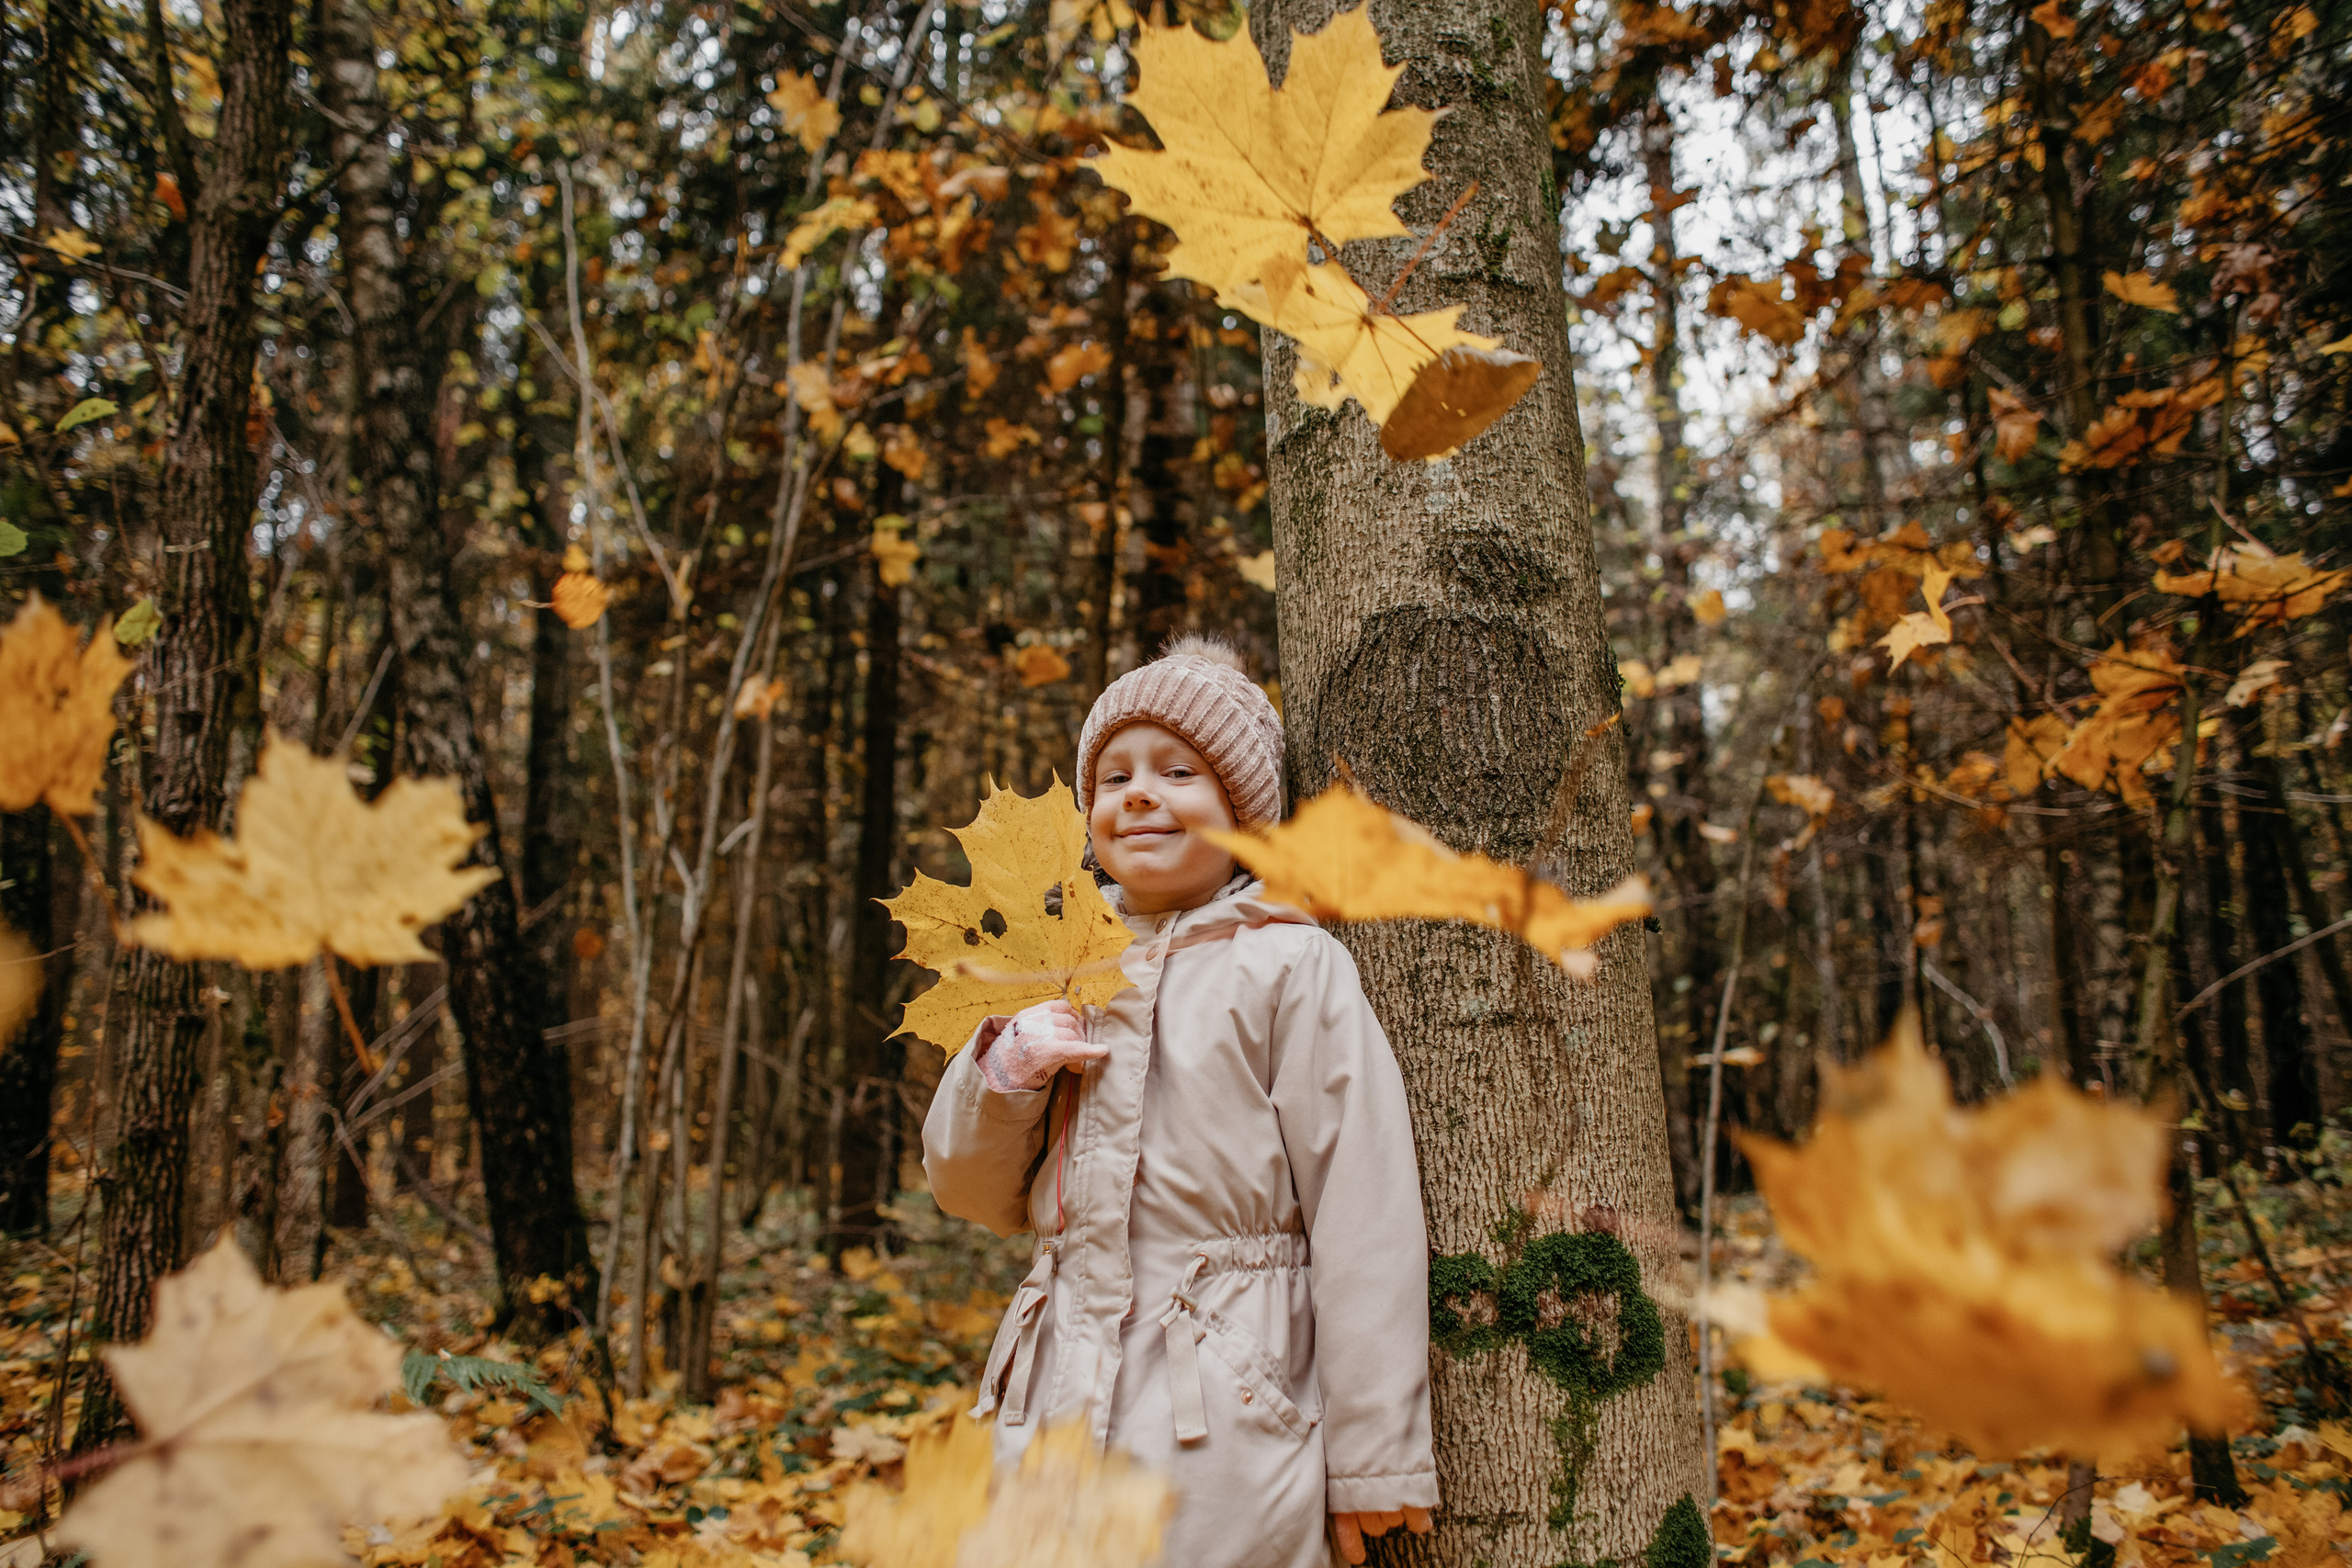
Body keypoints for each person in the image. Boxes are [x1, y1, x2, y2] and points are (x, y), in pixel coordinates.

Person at [922, 637, 1439, 1568]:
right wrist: (1001, 1077)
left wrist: (1372, 1458)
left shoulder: (1288, 964)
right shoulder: (1061, 970)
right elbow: (971, 1194)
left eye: (1178, 771)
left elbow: (1364, 1214)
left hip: (1224, 1405)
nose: (1139, 793)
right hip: (1049, 1398)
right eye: (1113, 776)